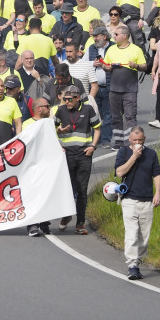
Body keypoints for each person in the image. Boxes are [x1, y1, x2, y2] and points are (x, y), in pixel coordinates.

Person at [115, 126, 160, 280]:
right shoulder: (123, 152)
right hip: (129, 199)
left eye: (140, 141)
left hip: (147, 200)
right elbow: (119, 172)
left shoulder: (151, 154)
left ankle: (138, 261)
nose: (137, 143)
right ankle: (132, 265)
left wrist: (158, 193)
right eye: (134, 140)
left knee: (143, 236)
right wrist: (134, 157)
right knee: (131, 234)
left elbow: (157, 174)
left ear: (144, 140)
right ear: (129, 139)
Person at [54, 85, 100, 235]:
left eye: (69, 99)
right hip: (67, 154)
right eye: (64, 99)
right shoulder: (61, 111)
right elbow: (50, 128)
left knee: (82, 190)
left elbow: (97, 128)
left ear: (77, 98)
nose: (67, 102)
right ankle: (66, 215)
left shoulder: (88, 110)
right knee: (67, 188)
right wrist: (58, 131)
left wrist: (93, 146)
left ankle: (80, 223)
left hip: (84, 154)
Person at [104, 25, 147, 149]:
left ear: (125, 36)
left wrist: (136, 66)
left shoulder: (136, 49)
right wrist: (105, 67)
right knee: (115, 117)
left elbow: (144, 66)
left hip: (129, 90)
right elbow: (106, 65)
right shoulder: (111, 49)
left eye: (116, 34)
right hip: (114, 89)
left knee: (130, 117)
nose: (114, 36)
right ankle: (118, 142)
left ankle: (132, 142)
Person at [24, 97, 53, 237]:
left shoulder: (50, 123)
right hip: (33, 165)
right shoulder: (27, 124)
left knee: (46, 192)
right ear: (39, 109)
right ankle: (32, 224)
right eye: (47, 106)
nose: (49, 108)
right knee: (33, 194)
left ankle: (44, 221)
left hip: (47, 163)